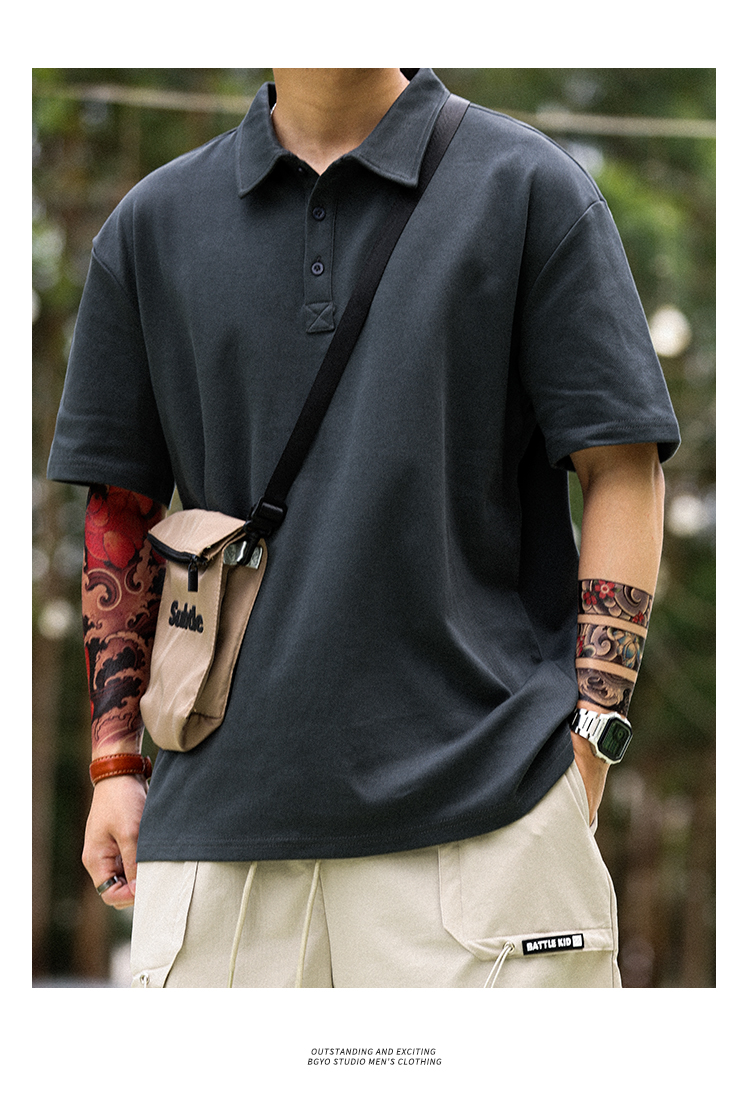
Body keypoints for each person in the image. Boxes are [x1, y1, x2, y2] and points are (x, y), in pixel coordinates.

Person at [47, 68, 680, 988]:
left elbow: (622, 466)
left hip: (490, 818)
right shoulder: (152, 222)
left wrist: (591, 739)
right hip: (216, 837)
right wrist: (114, 764)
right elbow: (119, 506)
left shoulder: (528, 186)